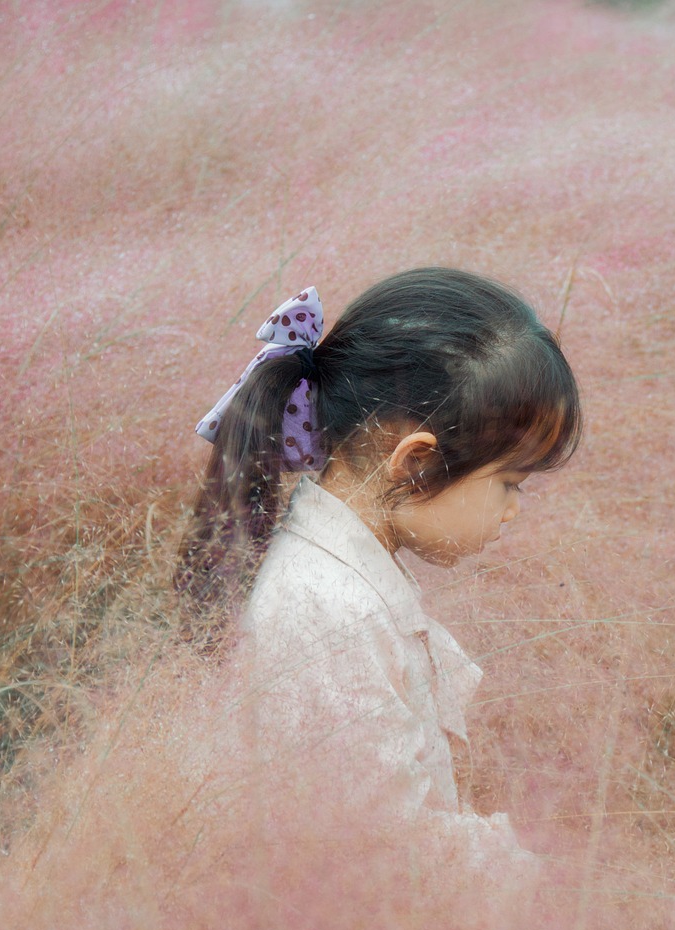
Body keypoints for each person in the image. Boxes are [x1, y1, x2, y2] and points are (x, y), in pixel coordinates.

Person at [176, 268, 581, 869]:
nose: (514, 512)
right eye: (509, 483)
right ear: (415, 462)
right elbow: (384, 854)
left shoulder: (342, 578)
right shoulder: (327, 610)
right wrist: (532, 875)